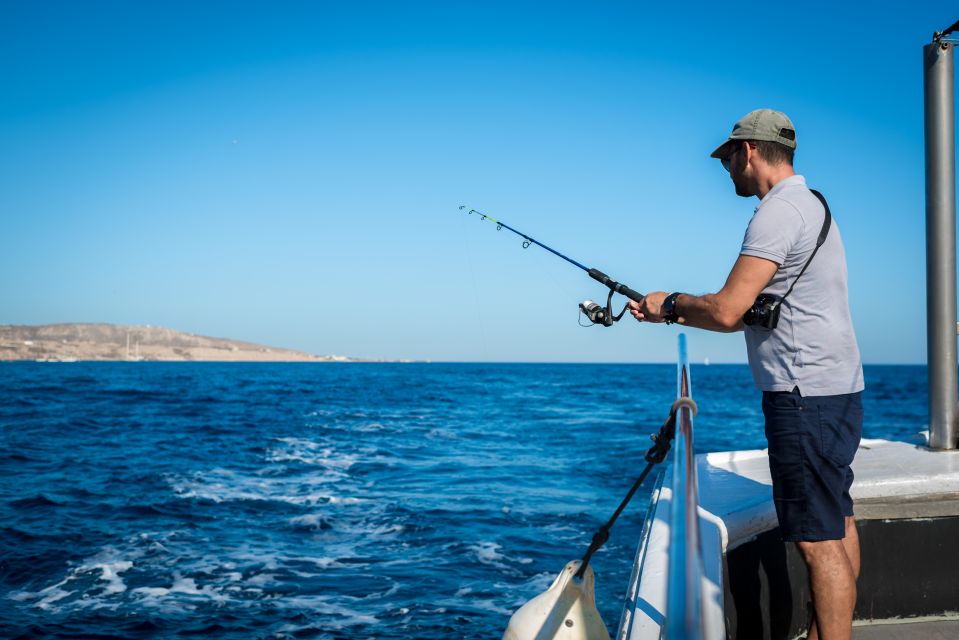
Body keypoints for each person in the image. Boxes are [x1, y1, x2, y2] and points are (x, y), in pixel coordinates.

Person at [629, 108, 864, 640]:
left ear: (749, 150)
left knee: (815, 539)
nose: (725, 167)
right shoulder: (813, 204)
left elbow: (730, 310)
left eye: (727, 156)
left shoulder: (777, 213)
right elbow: (758, 311)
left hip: (803, 394)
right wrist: (680, 310)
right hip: (837, 389)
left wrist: (670, 304)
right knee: (836, 518)